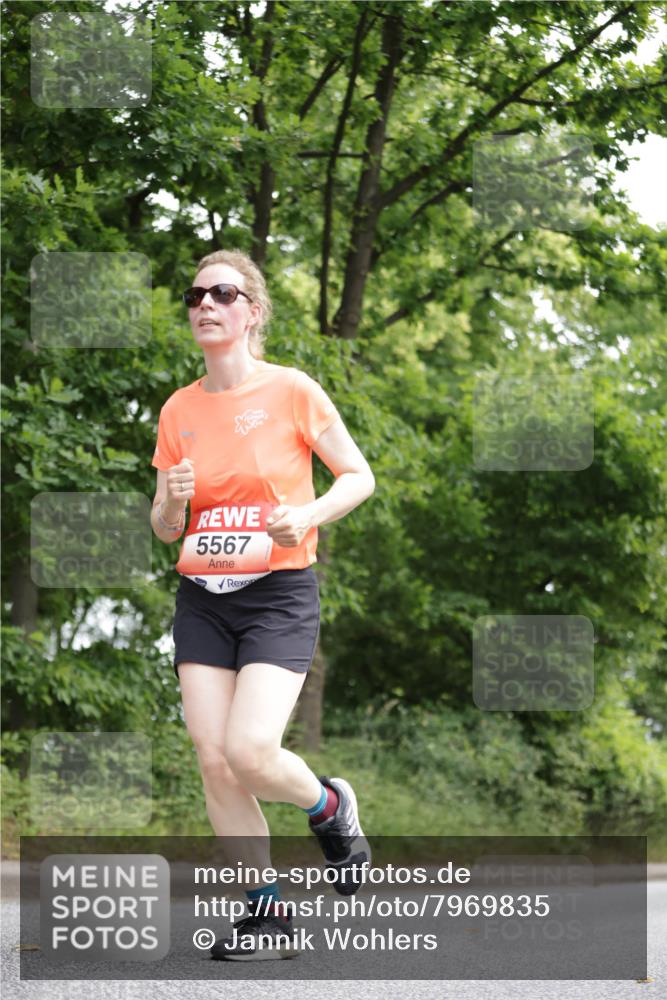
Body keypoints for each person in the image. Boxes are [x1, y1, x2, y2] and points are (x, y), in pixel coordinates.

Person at [150, 249, 375, 961]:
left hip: (277, 593)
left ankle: (328, 807)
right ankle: (267, 918)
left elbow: (357, 476)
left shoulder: (293, 391)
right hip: (203, 598)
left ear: (252, 311)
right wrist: (174, 500)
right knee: (214, 761)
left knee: (250, 750)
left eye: (223, 293)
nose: (205, 304)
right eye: (195, 295)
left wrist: (306, 515)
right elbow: (163, 525)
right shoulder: (178, 409)